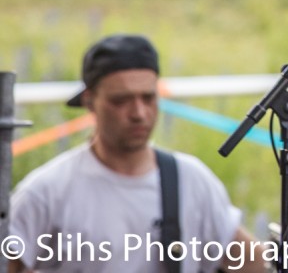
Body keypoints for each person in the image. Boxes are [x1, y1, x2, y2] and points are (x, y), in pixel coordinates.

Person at [8, 34, 259, 273]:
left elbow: (253, 263)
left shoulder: (190, 180)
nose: (139, 113)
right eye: (121, 100)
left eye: (148, 98)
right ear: (89, 101)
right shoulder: (47, 192)